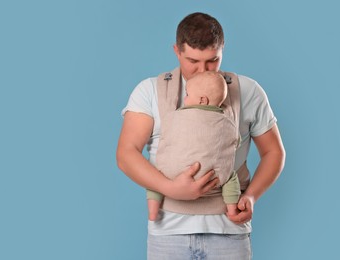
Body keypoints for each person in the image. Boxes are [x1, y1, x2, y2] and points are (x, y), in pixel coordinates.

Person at [116, 12, 285, 260]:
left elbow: (274, 152)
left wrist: (250, 197)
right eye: (193, 61)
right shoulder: (150, 90)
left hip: (229, 231)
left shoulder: (248, 91)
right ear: (177, 51)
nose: (202, 70)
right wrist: (172, 189)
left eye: (212, 61)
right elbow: (126, 154)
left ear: (222, 50)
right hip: (168, 233)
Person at [147, 71, 241, 221]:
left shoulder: (174, 116)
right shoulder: (229, 122)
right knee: (230, 177)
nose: (185, 99)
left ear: (202, 100)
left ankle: (153, 211)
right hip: (213, 177)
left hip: (171, 173)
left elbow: (166, 134)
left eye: (187, 95)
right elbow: (236, 142)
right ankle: (232, 210)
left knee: (154, 176)